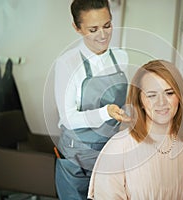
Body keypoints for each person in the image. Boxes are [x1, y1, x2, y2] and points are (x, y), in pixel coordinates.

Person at [88, 60, 183, 200]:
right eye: (151, 95)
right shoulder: (118, 148)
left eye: (169, 93)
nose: (161, 102)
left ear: (180, 97)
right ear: (140, 101)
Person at [54, 0, 130, 199]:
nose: (103, 35)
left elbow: (123, 101)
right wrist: (106, 112)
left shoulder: (121, 57)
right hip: (77, 159)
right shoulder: (67, 63)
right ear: (77, 28)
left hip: (110, 154)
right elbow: (68, 118)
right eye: (93, 29)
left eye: (107, 25)